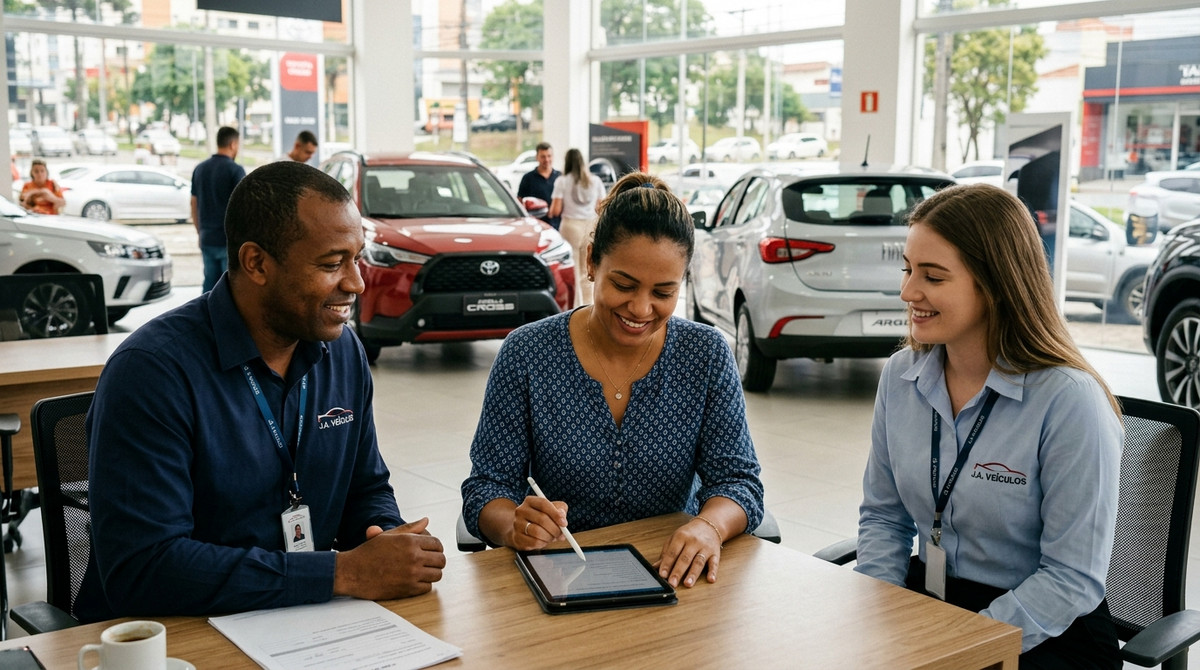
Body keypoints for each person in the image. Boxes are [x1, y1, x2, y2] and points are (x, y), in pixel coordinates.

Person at [76, 161, 446, 621]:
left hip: (298, 622)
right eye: (332, 263)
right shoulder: (152, 372)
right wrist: (340, 573)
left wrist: (386, 538)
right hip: (173, 635)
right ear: (257, 263)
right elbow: (145, 568)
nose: (356, 283)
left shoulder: (343, 350)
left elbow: (364, 486)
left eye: (357, 258)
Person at [854, 183, 1122, 668]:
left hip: (1041, 629)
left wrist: (962, 647)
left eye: (933, 277)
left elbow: (1072, 577)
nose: (908, 292)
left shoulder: (1069, 401)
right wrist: (881, 611)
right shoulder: (900, 377)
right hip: (932, 602)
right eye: (908, 270)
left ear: (995, 285)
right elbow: (883, 518)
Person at [462, 172, 764, 590]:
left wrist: (709, 527)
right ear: (591, 261)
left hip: (674, 576)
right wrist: (513, 524)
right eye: (623, 284)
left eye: (663, 292)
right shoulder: (527, 354)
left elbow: (739, 481)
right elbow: (487, 486)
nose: (641, 308)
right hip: (563, 576)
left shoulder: (706, 355)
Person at [191, 126, 246, 293]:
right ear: (233, 144)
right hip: (228, 241)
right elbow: (243, 206)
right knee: (229, 289)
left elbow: (194, 204)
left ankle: (205, 318)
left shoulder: (200, 169)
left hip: (207, 237)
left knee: (209, 285)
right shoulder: (235, 170)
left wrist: (200, 232)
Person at [549, 148, 606, 306]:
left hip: (570, 227)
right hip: (590, 226)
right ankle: (589, 306)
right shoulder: (595, 181)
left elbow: (555, 210)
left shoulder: (562, 181)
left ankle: (574, 308)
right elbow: (601, 207)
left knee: (572, 270)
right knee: (588, 270)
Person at [516, 141, 560, 229]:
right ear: (537, 157)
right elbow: (520, 201)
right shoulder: (528, 178)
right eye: (543, 156)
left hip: (558, 225)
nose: (546, 159)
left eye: (549, 156)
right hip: (535, 225)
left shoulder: (560, 177)